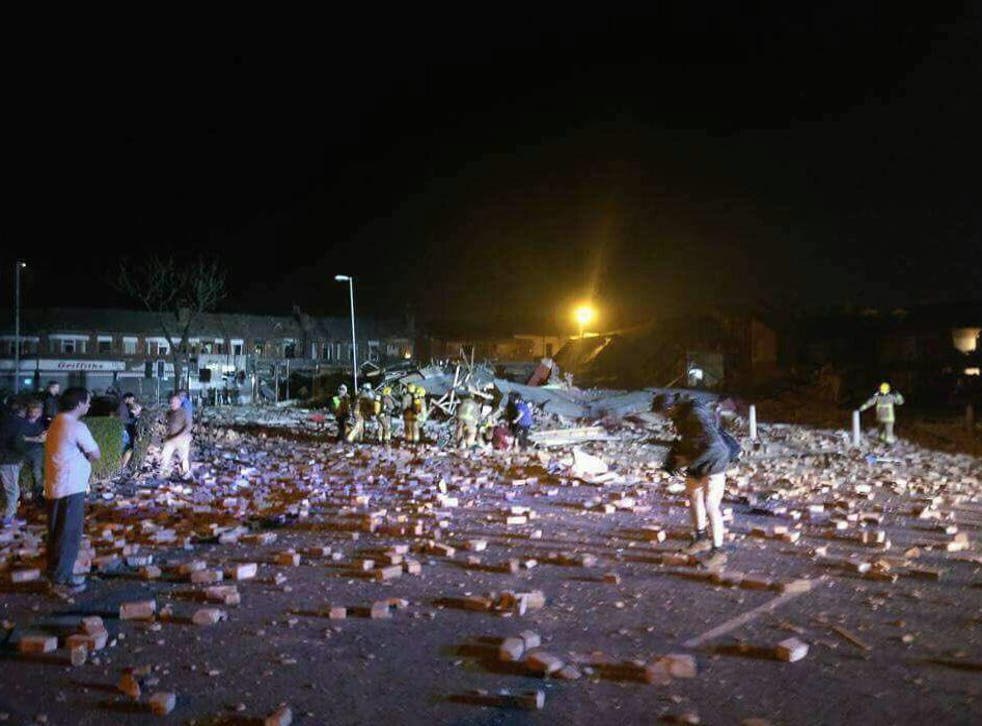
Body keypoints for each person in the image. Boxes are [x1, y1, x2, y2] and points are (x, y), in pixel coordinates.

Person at [653, 392, 735, 562]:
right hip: (697, 458)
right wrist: (672, 460)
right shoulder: (679, 415)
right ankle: (701, 539)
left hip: (714, 460)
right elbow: (688, 440)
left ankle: (718, 550)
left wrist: (688, 461)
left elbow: (712, 445)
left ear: (670, 407)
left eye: (662, 413)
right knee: (694, 497)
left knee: (710, 504)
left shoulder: (696, 415)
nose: (662, 417)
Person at [44, 387, 100, 596]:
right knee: (69, 535)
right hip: (71, 488)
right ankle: (61, 580)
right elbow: (95, 454)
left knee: (56, 533)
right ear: (79, 404)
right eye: (88, 401)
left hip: (55, 486)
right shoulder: (76, 426)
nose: (89, 405)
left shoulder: (56, 422)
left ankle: (55, 574)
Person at [0, 400, 27, 527]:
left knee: (8, 489)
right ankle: (8, 519)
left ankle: (7, 515)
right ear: (23, 411)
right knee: (13, 491)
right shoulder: (18, 423)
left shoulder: (4, 420)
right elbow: (18, 443)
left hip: (4, 458)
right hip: (9, 459)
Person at [19, 400, 47, 503]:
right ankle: (20, 494)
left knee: (37, 471)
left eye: (37, 412)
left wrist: (28, 438)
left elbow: (42, 439)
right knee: (17, 469)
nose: (35, 414)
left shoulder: (40, 424)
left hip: (36, 451)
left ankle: (38, 495)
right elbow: (21, 438)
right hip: (23, 451)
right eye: (33, 411)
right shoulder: (22, 423)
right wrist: (35, 438)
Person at [160, 394, 193, 480]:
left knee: (183, 458)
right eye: (171, 402)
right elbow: (164, 422)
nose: (172, 404)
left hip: (182, 439)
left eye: (174, 402)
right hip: (171, 438)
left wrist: (180, 435)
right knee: (165, 456)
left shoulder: (184, 412)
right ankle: (164, 474)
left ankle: (186, 475)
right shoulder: (169, 413)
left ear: (179, 403)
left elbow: (189, 426)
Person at [117, 392, 142, 471]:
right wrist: (134, 419)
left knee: (127, 448)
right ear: (127, 398)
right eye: (132, 400)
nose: (132, 401)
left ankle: (123, 466)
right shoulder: (122, 407)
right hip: (125, 430)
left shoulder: (124, 406)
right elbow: (123, 420)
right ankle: (122, 466)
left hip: (126, 430)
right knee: (127, 448)